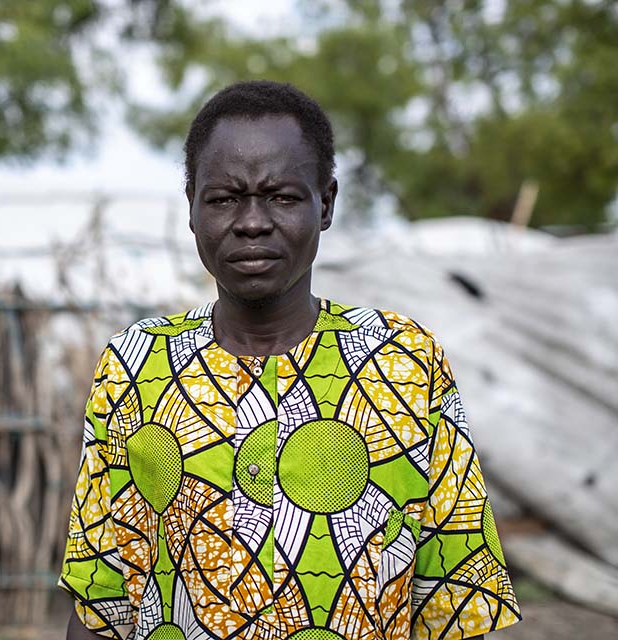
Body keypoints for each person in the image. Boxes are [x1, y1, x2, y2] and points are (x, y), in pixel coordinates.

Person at [59, 80, 520, 640]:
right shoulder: (136, 363)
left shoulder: (405, 361)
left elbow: (454, 594)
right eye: (225, 198)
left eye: (282, 196)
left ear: (325, 204)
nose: (252, 221)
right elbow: (100, 599)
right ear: (192, 209)